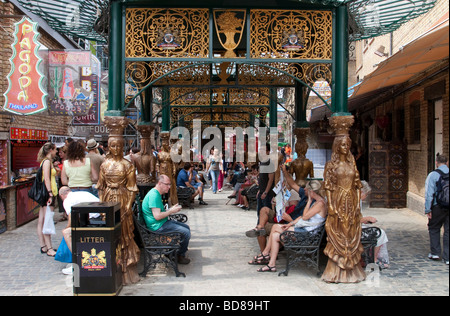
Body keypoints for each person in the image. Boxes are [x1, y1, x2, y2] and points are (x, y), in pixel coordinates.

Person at [250, 181, 327, 272]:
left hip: (307, 234)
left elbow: (305, 216)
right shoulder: (318, 202)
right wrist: (290, 224)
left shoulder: (320, 203)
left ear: (312, 192)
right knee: (275, 235)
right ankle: (271, 264)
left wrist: (309, 201)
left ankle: (266, 253)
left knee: (275, 227)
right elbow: (301, 217)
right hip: (304, 231)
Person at [321, 134, 365, 283]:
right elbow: (328, 186)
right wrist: (331, 205)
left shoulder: (352, 164)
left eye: (347, 145)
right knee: (338, 228)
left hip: (351, 199)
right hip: (338, 199)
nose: (346, 148)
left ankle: (352, 266)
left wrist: (358, 204)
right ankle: (336, 268)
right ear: (337, 146)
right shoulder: (331, 165)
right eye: (343, 145)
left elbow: (358, 185)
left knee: (351, 229)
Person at [97, 135, 140, 284]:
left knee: (124, 230)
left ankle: (126, 264)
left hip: (122, 197)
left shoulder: (127, 165)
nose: (116, 149)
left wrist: (128, 206)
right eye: (113, 146)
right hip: (109, 197)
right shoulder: (104, 165)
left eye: (118, 146)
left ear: (123, 147)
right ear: (109, 147)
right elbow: (101, 187)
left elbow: (132, 188)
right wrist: (102, 205)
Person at [142, 175, 191, 264]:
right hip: (157, 227)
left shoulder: (156, 194)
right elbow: (157, 216)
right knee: (186, 233)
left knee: (186, 228)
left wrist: (170, 209)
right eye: (167, 184)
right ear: (160, 183)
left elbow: (158, 213)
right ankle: (179, 255)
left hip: (161, 223)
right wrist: (171, 211)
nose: (169, 187)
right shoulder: (154, 195)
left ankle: (175, 253)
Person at [58, 186, 100, 275]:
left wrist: (67, 227)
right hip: (100, 218)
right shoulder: (83, 193)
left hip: (93, 220)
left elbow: (71, 217)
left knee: (66, 233)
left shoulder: (67, 200)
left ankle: (76, 263)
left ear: (62, 195)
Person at [424, 154, 449, 265]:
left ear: (436, 162)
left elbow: (429, 194)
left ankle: (435, 253)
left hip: (437, 206)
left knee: (434, 228)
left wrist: (428, 209)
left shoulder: (433, 175)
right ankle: (447, 257)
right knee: (448, 231)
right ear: (447, 162)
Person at [360, 181, 390, 269]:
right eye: (366, 194)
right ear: (361, 192)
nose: (366, 197)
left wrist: (365, 220)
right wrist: (366, 218)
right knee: (380, 234)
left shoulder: (358, 202)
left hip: (356, 228)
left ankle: (375, 258)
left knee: (379, 233)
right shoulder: (354, 203)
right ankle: (374, 259)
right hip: (353, 231)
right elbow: (352, 219)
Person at [36, 142, 58, 257]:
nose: (56, 152)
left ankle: (44, 246)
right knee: (46, 221)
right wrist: (50, 193)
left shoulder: (46, 162)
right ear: (50, 150)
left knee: (42, 219)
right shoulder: (47, 162)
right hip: (47, 194)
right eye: (55, 150)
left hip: (46, 193)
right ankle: (48, 248)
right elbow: (47, 179)